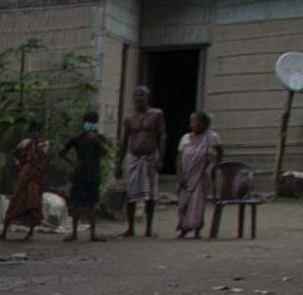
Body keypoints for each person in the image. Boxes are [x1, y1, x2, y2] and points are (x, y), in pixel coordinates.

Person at [119, 86, 167, 238]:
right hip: (133, 159)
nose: (138, 98)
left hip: (150, 158)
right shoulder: (129, 119)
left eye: (142, 96)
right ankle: (131, 227)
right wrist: (119, 164)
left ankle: (149, 228)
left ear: (147, 97)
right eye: (136, 96)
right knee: (131, 195)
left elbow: (163, 136)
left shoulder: (156, 114)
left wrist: (161, 159)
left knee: (151, 195)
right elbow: (125, 141)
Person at [0, 118, 51, 242]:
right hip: (25, 173)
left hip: (36, 176)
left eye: (38, 130)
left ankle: (30, 232)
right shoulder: (25, 142)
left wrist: (37, 143)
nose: (36, 132)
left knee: (32, 203)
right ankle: (4, 231)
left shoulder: (45, 143)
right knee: (15, 200)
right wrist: (18, 164)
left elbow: (43, 156)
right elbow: (12, 154)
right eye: (34, 130)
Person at [62, 110, 108, 243]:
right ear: (84, 123)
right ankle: (74, 233)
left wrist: (97, 141)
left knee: (92, 205)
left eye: (93, 123)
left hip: (93, 175)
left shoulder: (100, 138)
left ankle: (93, 234)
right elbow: (62, 152)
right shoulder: (77, 139)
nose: (90, 125)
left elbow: (104, 152)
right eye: (89, 122)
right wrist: (72, 163)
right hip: (80, 175)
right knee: (76, 204)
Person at [176, 111, 222, 239]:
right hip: (186, 175)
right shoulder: (185, 138)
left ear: (203, 124)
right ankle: (184, 229)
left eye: (195, 121)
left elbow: (220, 151)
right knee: (183, 202)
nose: (192, 124)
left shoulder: (211, 137)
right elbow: (179, 158)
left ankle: (197, 230)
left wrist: (215, 166)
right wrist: (180, 175)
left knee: (198, 203)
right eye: (191, 122)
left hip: (201, 175)